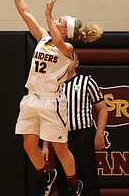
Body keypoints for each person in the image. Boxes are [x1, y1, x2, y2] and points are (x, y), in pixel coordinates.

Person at [8, 0, 103, 196]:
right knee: (28, 146)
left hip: (52, 101)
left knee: (61, 150)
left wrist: (48, 15)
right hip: (31, 97)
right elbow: (26, 13)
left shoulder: (67, 50)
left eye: (59, 21)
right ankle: (46, 175)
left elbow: (59, 42)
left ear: (64, 30)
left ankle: (73, 183)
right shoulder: (43, 38)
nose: (55, 19)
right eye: (56, 19)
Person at [43, 52, 108, 196]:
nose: (66, 62)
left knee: (88, 176)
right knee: (64, 179)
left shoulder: (87, 81)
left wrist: (99, 134)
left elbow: (103, 109)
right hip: (61, 138)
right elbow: (49, 117)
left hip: (83, 135)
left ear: (76, 63)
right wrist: (45, 145)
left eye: (69, 59)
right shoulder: (54, 85)